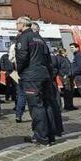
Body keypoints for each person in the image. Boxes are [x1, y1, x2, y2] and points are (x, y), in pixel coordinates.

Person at [16, 16, 57, 146]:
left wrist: (20, 71)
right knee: (47, 105)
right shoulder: (40, 38)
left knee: (36, 107)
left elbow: (22, 57)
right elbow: (48, 58)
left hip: (31, 76)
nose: (16, 26)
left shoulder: (23, 37)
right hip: (44, 74)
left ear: (22, 24)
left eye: (17, 23)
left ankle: (40, 136)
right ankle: (50, 135)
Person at [46, 44, 65, 137]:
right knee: (55, 106)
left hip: (49, 84)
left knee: (52, 106)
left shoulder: (50, 58)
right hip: (52, 83)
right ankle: (58, 129)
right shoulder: (53, 57)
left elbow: (54, 70)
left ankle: (55, 129)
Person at [10, 41, 27, 123]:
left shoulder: (13, 46)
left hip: (17, 71)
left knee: (21, 94)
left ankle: (18, 115)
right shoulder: (27, 44)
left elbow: (10, 59)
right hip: (26, 72)